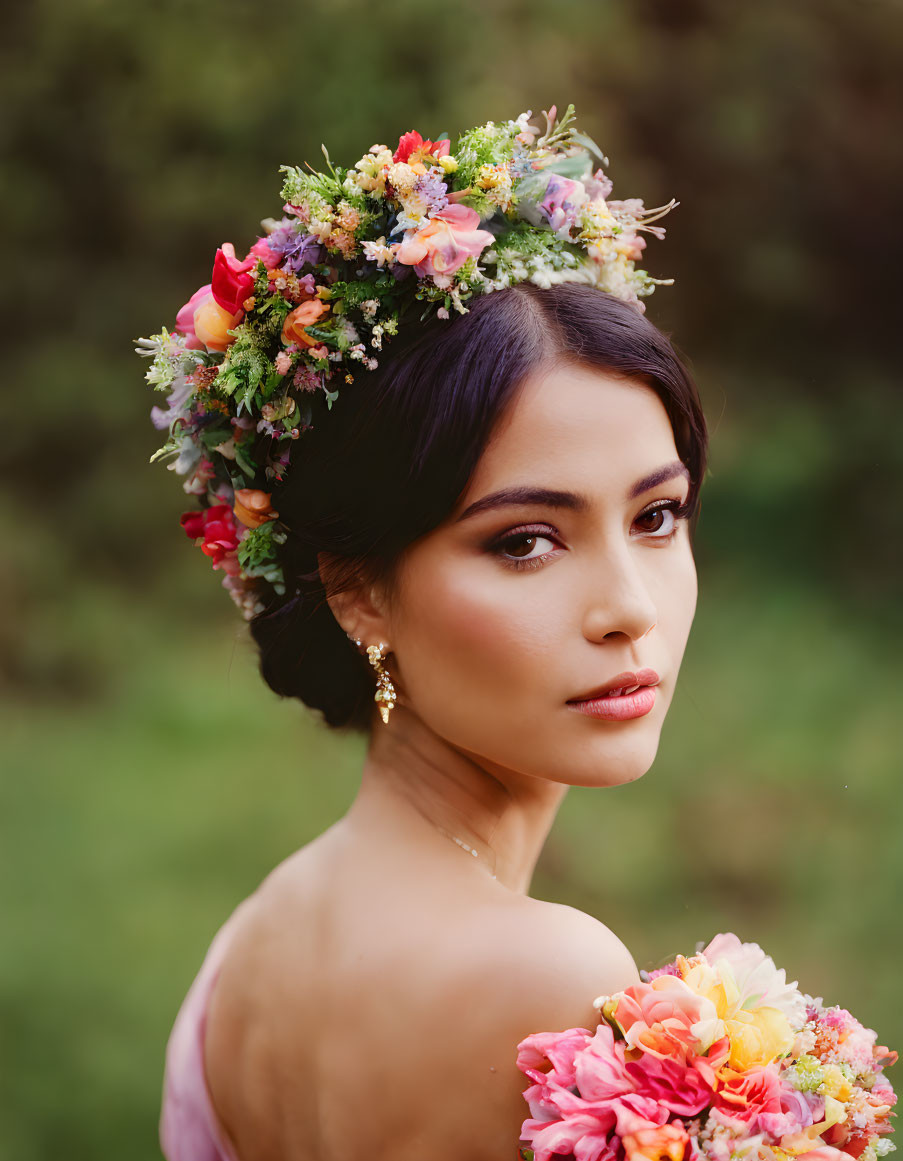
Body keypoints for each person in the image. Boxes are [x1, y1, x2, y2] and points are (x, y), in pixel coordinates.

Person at [142, 109, 707, 1161]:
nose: (628, 605)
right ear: (358, 592)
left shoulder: (255, 943)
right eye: (528, 541)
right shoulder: (550, 977)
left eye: (656, 517)